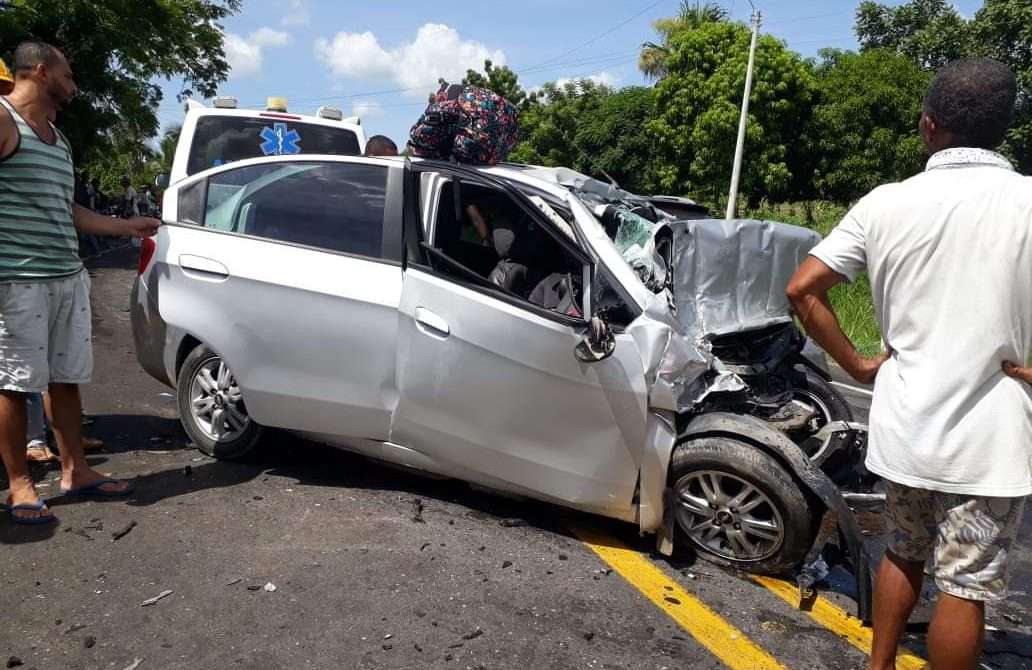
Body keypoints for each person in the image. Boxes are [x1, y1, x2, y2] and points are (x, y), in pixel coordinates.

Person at [786, 58, 1031, 670]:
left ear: (928, 126)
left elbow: (803, 290)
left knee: (902, 549)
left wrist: (860, 365)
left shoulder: (885, 204)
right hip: (990, 437)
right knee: (965, 585)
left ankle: (881, 664)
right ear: (1006, 128)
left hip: (904, 422)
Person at [0, 41, 159, 524]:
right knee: (13, 385)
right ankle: (20, 485)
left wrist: (125, 226)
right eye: (67, 76)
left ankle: (77, 470)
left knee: (65, 379)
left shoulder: (56, 136)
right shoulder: (4, 120)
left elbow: (65, 210)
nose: (73, 86)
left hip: (66, 275)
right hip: (17, 279)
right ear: (41, 71)